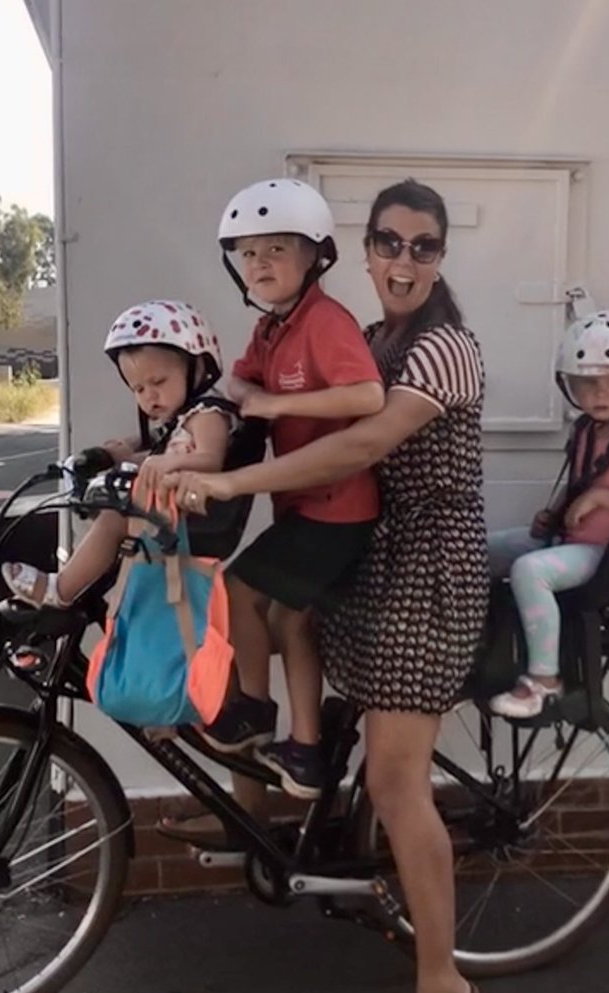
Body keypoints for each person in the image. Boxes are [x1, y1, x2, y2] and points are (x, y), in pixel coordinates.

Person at [166, 179, 488, 993]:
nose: (403, 261)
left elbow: (359, 446)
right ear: (367, 245)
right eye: (390, 241)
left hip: (428, 568)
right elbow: (246, 392)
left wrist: (234, 486)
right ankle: (275, 803)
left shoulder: (444, 350)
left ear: (441, 257)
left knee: (395, 780)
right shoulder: (372, 336)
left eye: (424, 247)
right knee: (279, 632)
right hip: (367, 554)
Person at [193, 178, 384, 801]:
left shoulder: (324, 321)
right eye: (248, 252)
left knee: (240, 592)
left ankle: (254, 707)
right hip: (308, 504)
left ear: (314, 257)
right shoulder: (273, 328)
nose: (260, 263)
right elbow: (233, 386)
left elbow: (366, 396)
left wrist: (272, 402)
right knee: (289, 618)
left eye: (277, 248)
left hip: (337, 506)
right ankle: (304, 752)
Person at [486, 311, 609, 717]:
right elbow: (579, 486)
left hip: (604, 552)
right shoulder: (587, 428)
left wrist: (605, 499)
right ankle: (476, 647)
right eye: (587, 383)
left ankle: (543, 678)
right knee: (482, 550)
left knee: (530, 571)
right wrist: (552, 513)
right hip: (570, 539)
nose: (600, 393)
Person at [0, 300, 238, 608]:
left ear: (199, 367)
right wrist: (117, 452)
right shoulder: (184, 416)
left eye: (158, 382)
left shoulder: (208, 414)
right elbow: (153, 440)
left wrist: (168, 460)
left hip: (189, 516)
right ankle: (90, 583)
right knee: (102, 504)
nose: (149, 395)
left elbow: (211, 459)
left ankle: (60, 590)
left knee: (113, 519)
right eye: (138, 389)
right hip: (164, 510)